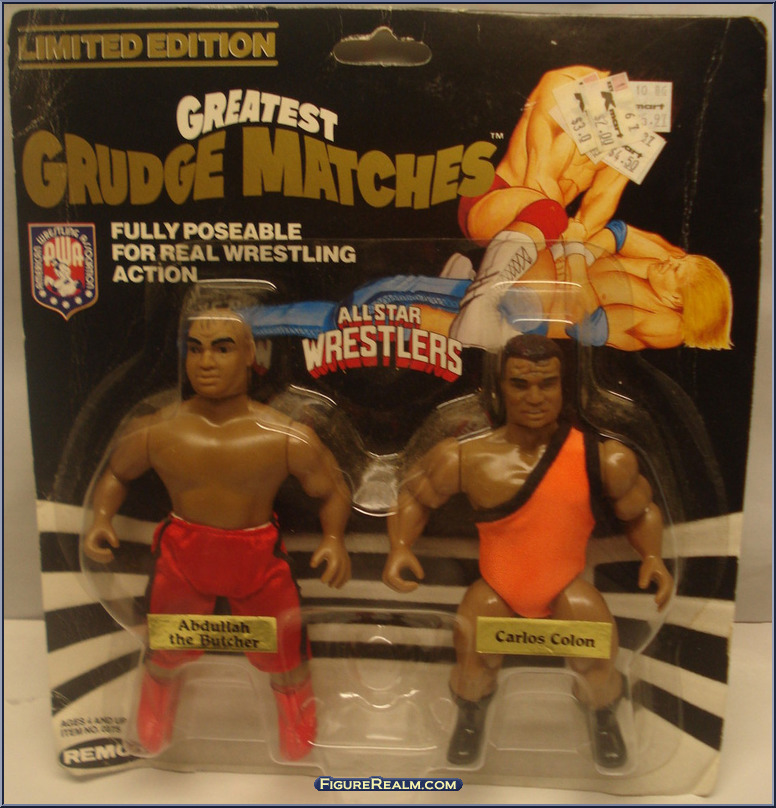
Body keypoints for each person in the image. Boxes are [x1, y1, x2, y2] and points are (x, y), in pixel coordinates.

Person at [382, 334, 673, 767]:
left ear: (563, 387)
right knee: (472, 663)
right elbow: (414, 495)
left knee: (597, 660)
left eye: (547, 383)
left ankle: (603, 715)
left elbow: (640, 510)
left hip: (567, 587)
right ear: (500, 388)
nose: (534, 397)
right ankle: (470, 714)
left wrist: (653, 557)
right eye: (520, 384)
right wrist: (400, 546)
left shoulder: (601, 458)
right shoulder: (467, 457)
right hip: (497, 588)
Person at [83, 305, 352, 760]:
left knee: (285, 650)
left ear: (250, 355)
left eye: (222, 349)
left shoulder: (284, 435)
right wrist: (101, 519)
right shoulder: (157, 429)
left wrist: (333, 540)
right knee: (164, 646)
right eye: (195, 349)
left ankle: (297, 725)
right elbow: (116, 473)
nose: (206, 361)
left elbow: (332, 490)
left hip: (257, 559)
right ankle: (152, 721)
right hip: (183, 556)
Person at [451, 66, 630, 351]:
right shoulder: (561, 85)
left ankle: (461, 283)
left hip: (540, 230)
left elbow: (601, 202)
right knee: (550, 212)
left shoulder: (631, 134)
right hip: (495, 202)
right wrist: (562, 244)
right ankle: (479, 302)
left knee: (533, 310)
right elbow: (538, 175)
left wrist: (573, 247)